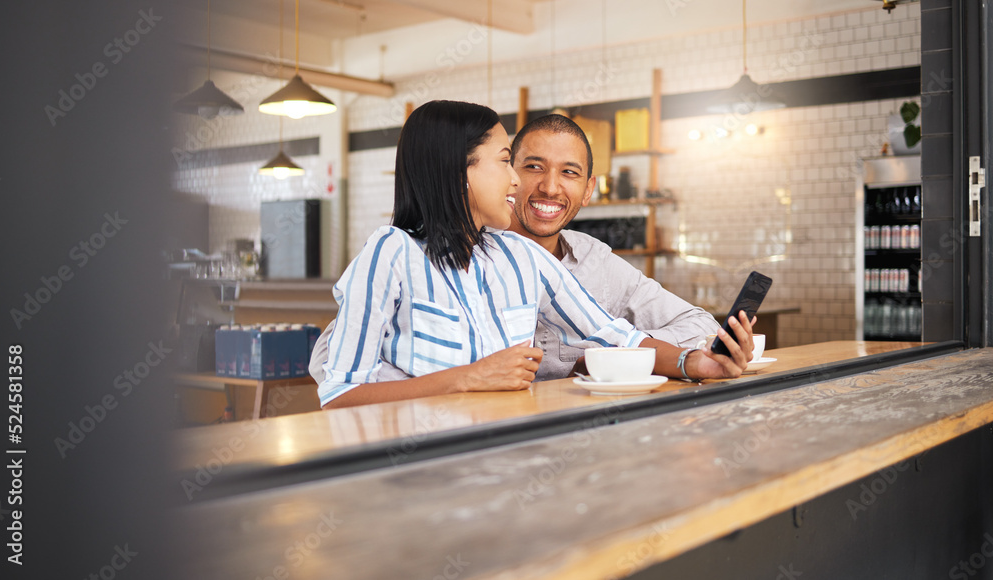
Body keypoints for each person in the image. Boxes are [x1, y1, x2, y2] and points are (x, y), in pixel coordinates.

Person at [312, 100, 754, 409]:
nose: (521, 182)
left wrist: (696, 363)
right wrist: (468, 378)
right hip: (421, 469)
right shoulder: (391, 252)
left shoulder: (520, 255)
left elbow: (615, 336)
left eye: (568, 173)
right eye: (510, 162)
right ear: (456, 173)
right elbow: (338, 392)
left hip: (508, 453)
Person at [508, 114, 722, 380]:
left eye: (569, 172)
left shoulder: (595, 260)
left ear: (588, 190)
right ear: (508, 175)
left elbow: (701, 327)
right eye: (534, 167)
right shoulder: (470, 255)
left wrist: (614, 356)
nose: (550, 188)